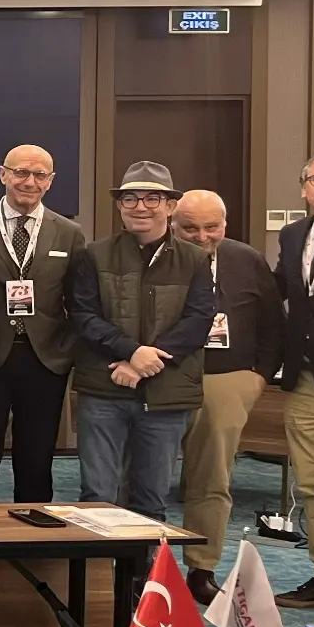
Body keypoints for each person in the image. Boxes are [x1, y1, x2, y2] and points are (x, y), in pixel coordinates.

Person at [67, 161, 213, 523]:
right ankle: (98, 565)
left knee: (150, 501)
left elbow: (198, 321)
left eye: (152, 198)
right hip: (103, 390)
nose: (140, 207)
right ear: (120, 205)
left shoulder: (195, 259)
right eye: (130, 198)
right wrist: (131, 352)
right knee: (97, 497)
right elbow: (84, 317)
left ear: (171, 205)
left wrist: (145, 363)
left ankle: (143, 564)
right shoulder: (93, 255)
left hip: (166, 394)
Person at [0, 145, 85, 504]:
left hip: (44, 361)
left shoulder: (69, 233)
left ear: (51, 181)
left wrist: (66, 352)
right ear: (3, 174)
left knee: (36, 461)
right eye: (21, 173)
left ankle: (31, 529)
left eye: (39, 175)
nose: (30, 182)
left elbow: (79, 301)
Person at [174, 189, 280, 604]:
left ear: (225, 225)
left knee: (212, 480)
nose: (202, 237)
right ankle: (142, 566)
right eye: (190, 228)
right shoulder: (157, 255)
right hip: (164, 377)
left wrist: (259, 377)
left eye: (211, 227)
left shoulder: (246, 259)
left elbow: (272, 322)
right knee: (142, 478)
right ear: (173, 224)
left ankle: (201, 568)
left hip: (226, 378)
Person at [273, 156, 314, 607]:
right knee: (310, 481)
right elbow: (277, 292)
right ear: (304, 187)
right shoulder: (292, 235)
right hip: (304, 375)